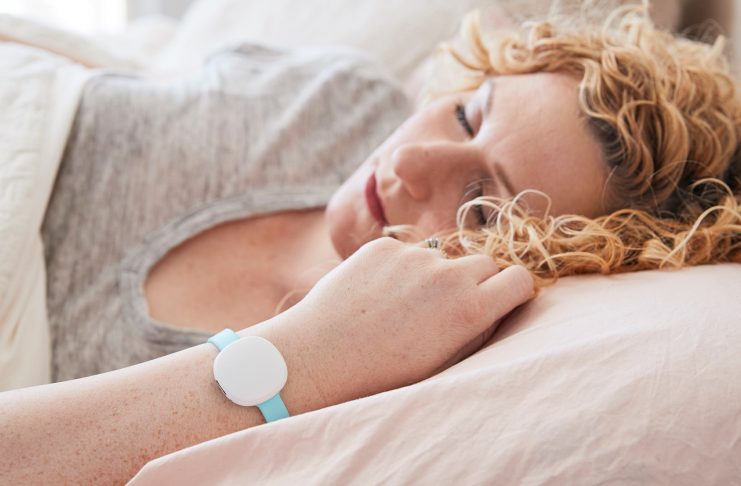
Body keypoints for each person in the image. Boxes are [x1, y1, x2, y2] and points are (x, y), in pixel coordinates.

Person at [1, 3, 740, 484]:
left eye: (481, 205)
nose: (411, 162)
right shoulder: (341, 97)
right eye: (466, 117)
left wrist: (301, 358)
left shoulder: (362, 392)